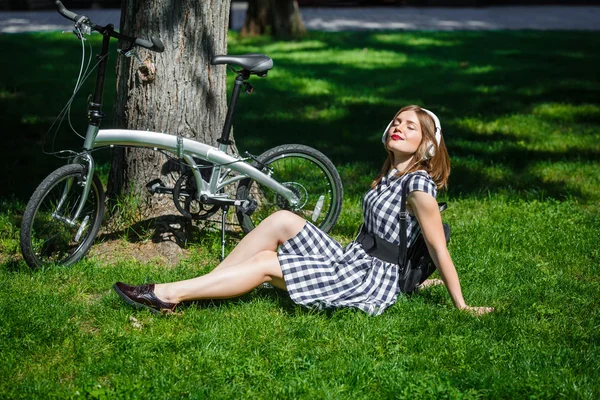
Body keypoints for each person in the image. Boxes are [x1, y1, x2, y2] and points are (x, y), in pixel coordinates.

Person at [113, 105, 493, 316]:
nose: (398, 127)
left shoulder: (418, 184)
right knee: (281, 219)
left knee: (265, 264)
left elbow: (438, 247)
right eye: (396, 121)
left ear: (427, 145)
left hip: (368, 279)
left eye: (410, 127)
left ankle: (167, 294)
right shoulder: (393, 172)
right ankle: (206, 284)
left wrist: (462, 306)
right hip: (353, 259)